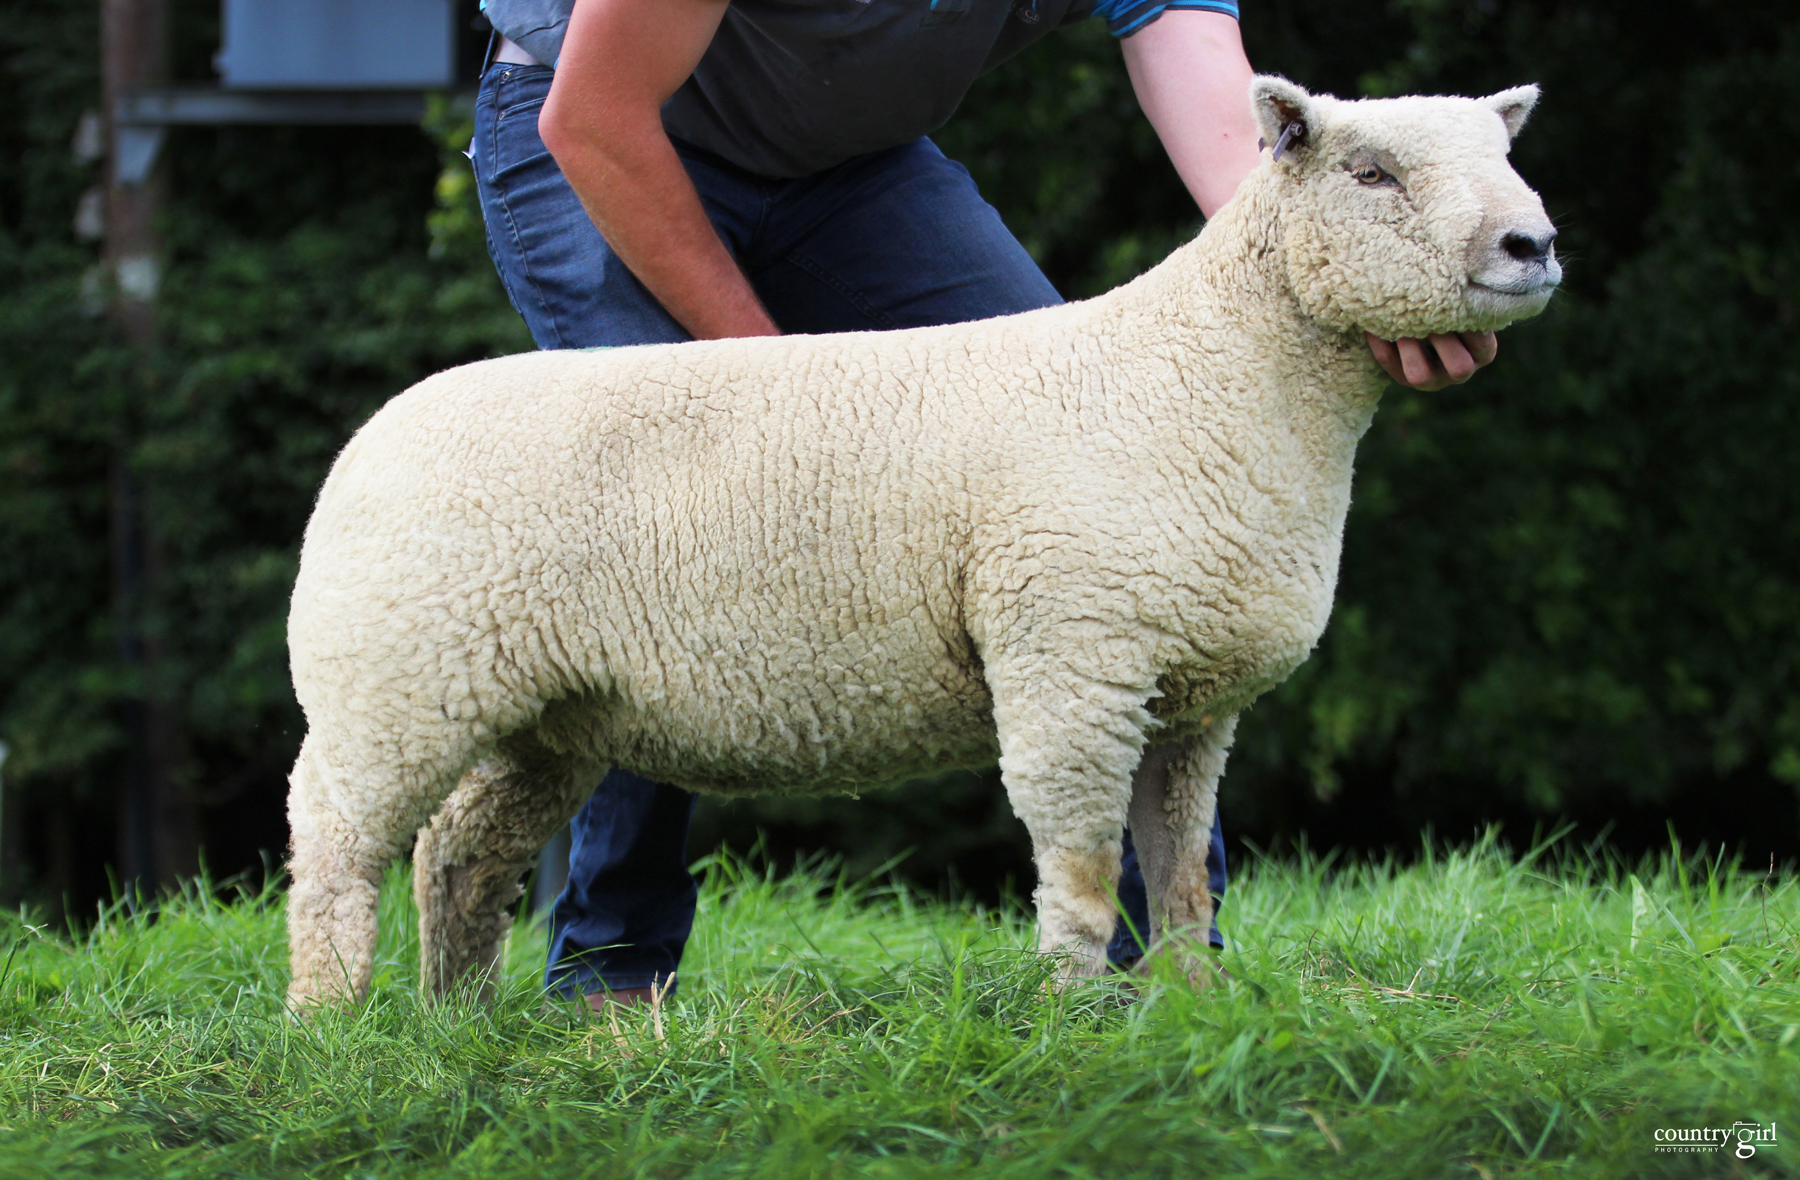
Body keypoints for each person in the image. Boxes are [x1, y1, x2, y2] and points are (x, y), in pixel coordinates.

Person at [470, 0, 1497, 1009]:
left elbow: (1248, 171)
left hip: (849, 163)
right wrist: (782, 393)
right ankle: (612, 967)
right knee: (671, 522)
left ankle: (1166, 961)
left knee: (1090, 474)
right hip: (606, 127)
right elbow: (593, 116)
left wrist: (1360, 273)